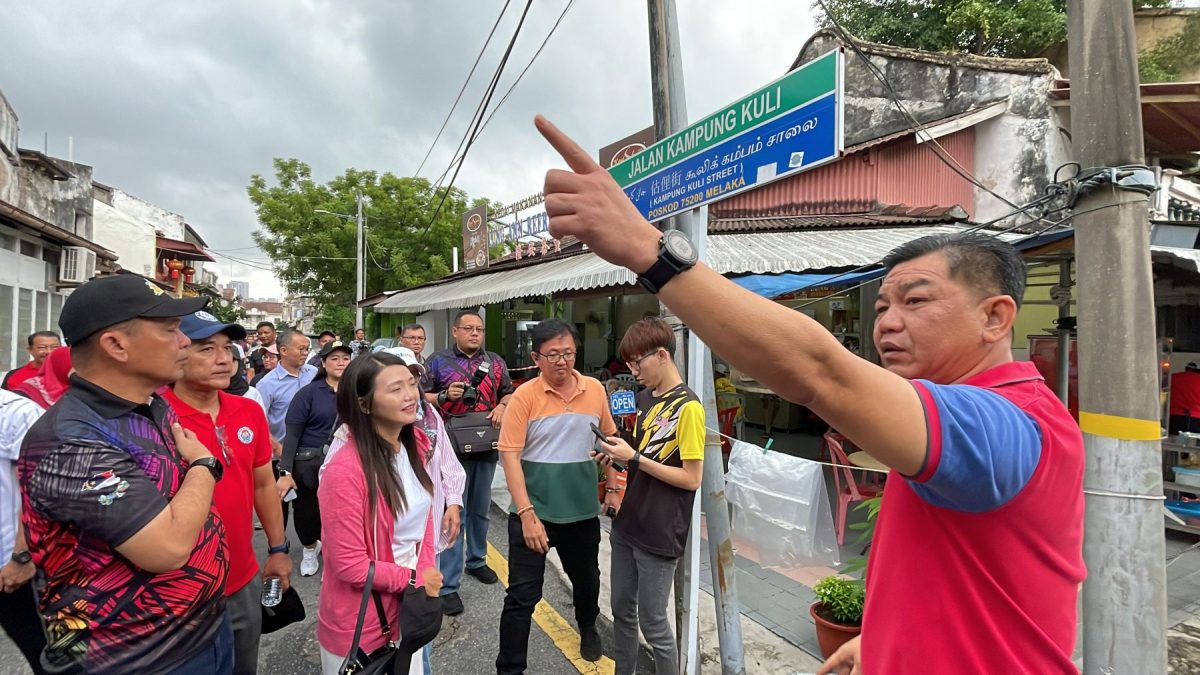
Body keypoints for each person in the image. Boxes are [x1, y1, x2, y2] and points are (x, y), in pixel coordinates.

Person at [534, 116, 1086, 675]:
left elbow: (821, 372)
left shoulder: (1016, 423)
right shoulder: (959, 417)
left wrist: (646, 249)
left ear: (995, 318)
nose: (888, 324)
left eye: (915, 301)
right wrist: (886, 638)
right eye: (884, 305)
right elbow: (965, 577)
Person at [17, 274, 232, 674]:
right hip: (135, 658)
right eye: (171, 330)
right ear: (116, 345)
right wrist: (204, 465)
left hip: (201, 633)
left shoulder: (153, 405)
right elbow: (166, 549)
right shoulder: (72, 442)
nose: (185, 341)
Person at [163, 311, 293, 675]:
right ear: (177, 351)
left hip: (242, 578)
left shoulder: (248, 411)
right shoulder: (154, 417)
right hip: (179, 589)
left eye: (227, 349)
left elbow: (264, 484)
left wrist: (278, 549)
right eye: (207, 349)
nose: (224, 359)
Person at [496, 319, 617, 672]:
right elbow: (509, 456)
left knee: (587, 581)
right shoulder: (524, 397)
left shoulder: (594, 389)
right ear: (536, 357)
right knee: (521, 597)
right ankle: (510, 667)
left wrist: (612, 487)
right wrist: (527, 514)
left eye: (568, 353)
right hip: (534, 514)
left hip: (581, 511)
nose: (562, 361)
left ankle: (588, 627)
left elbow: (608, 439)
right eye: (553, 355)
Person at [590, 318, 704, 675]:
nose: (634, 371)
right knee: (621, 609)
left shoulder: (689, 408)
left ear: (662, 355)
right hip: (628, 521)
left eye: (638, 363)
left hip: (661, 528)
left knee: (654, 623)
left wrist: (635, 458)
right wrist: (617, 458)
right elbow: (641, 460)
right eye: (629, 364)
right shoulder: (642, 399)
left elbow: (692, 478)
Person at [317, 351, 441, 675]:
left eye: (412, 385)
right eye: (395, 388)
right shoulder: (345, 470)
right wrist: (415, 579)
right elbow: (350, 565)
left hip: (408, 609)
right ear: (363, 404)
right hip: (364, 621)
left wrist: (425, 571)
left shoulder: (416, 443)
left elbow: (423, 516)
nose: (410, 395)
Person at [422, 310, 514, 616]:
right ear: (455, 331)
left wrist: (502, 406)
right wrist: (444, 395)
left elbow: (509, 393)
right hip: (449, 448)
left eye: (479, 329)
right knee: (452, 511)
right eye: (468, 328)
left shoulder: (496, 362)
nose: (475, 333)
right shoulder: (436, 361)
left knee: (480, 508)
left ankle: (477, 560)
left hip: (486, 445)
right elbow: (420, 396)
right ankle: (448, 584)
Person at [385, 345, 466, 675]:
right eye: (398, 382)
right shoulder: (368, 430)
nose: (409, 390)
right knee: (391, 617)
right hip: (390, 543)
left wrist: (454, 502)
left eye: (414, 378)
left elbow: (449, 462)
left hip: (427, 535)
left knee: (421, 611)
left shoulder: (429, 417)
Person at [277, 340, 352, 577]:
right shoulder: (308, 393)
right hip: (310, 463)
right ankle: (310, 548)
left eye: (345, 358)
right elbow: (293, 434)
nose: (340, 363)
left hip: (347, 463)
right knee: (306, 512)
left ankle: (340, 551)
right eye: (334, 358)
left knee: (344, 511)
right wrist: (285, 471)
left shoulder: (358, 391)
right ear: (323, 362)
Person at [0, 388, 45, 674]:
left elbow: (42, 489)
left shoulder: (15, 412)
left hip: (12, 567)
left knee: (47, 654)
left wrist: (22, 555)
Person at [1170, 362, 1200, 435]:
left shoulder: (1172, 377)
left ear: (1186, 368)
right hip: (1196, 419)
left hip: (1172, 417)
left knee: (1170, 442)